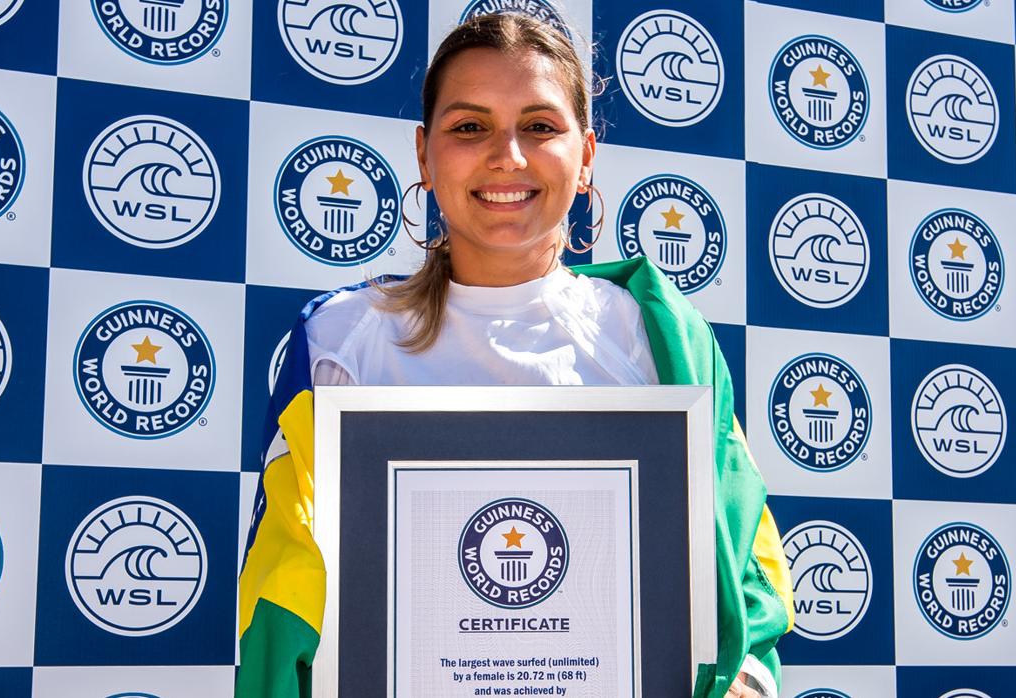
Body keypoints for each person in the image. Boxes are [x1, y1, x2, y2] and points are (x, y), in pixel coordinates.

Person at [237, 13, 793, 698]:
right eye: (470, 127)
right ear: (423, 154)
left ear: (586, 155)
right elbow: (281, 596)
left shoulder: (662, 339)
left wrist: (747, 680)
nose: (509, 156)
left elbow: (747, 564)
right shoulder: (340, 342)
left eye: (540, 126)